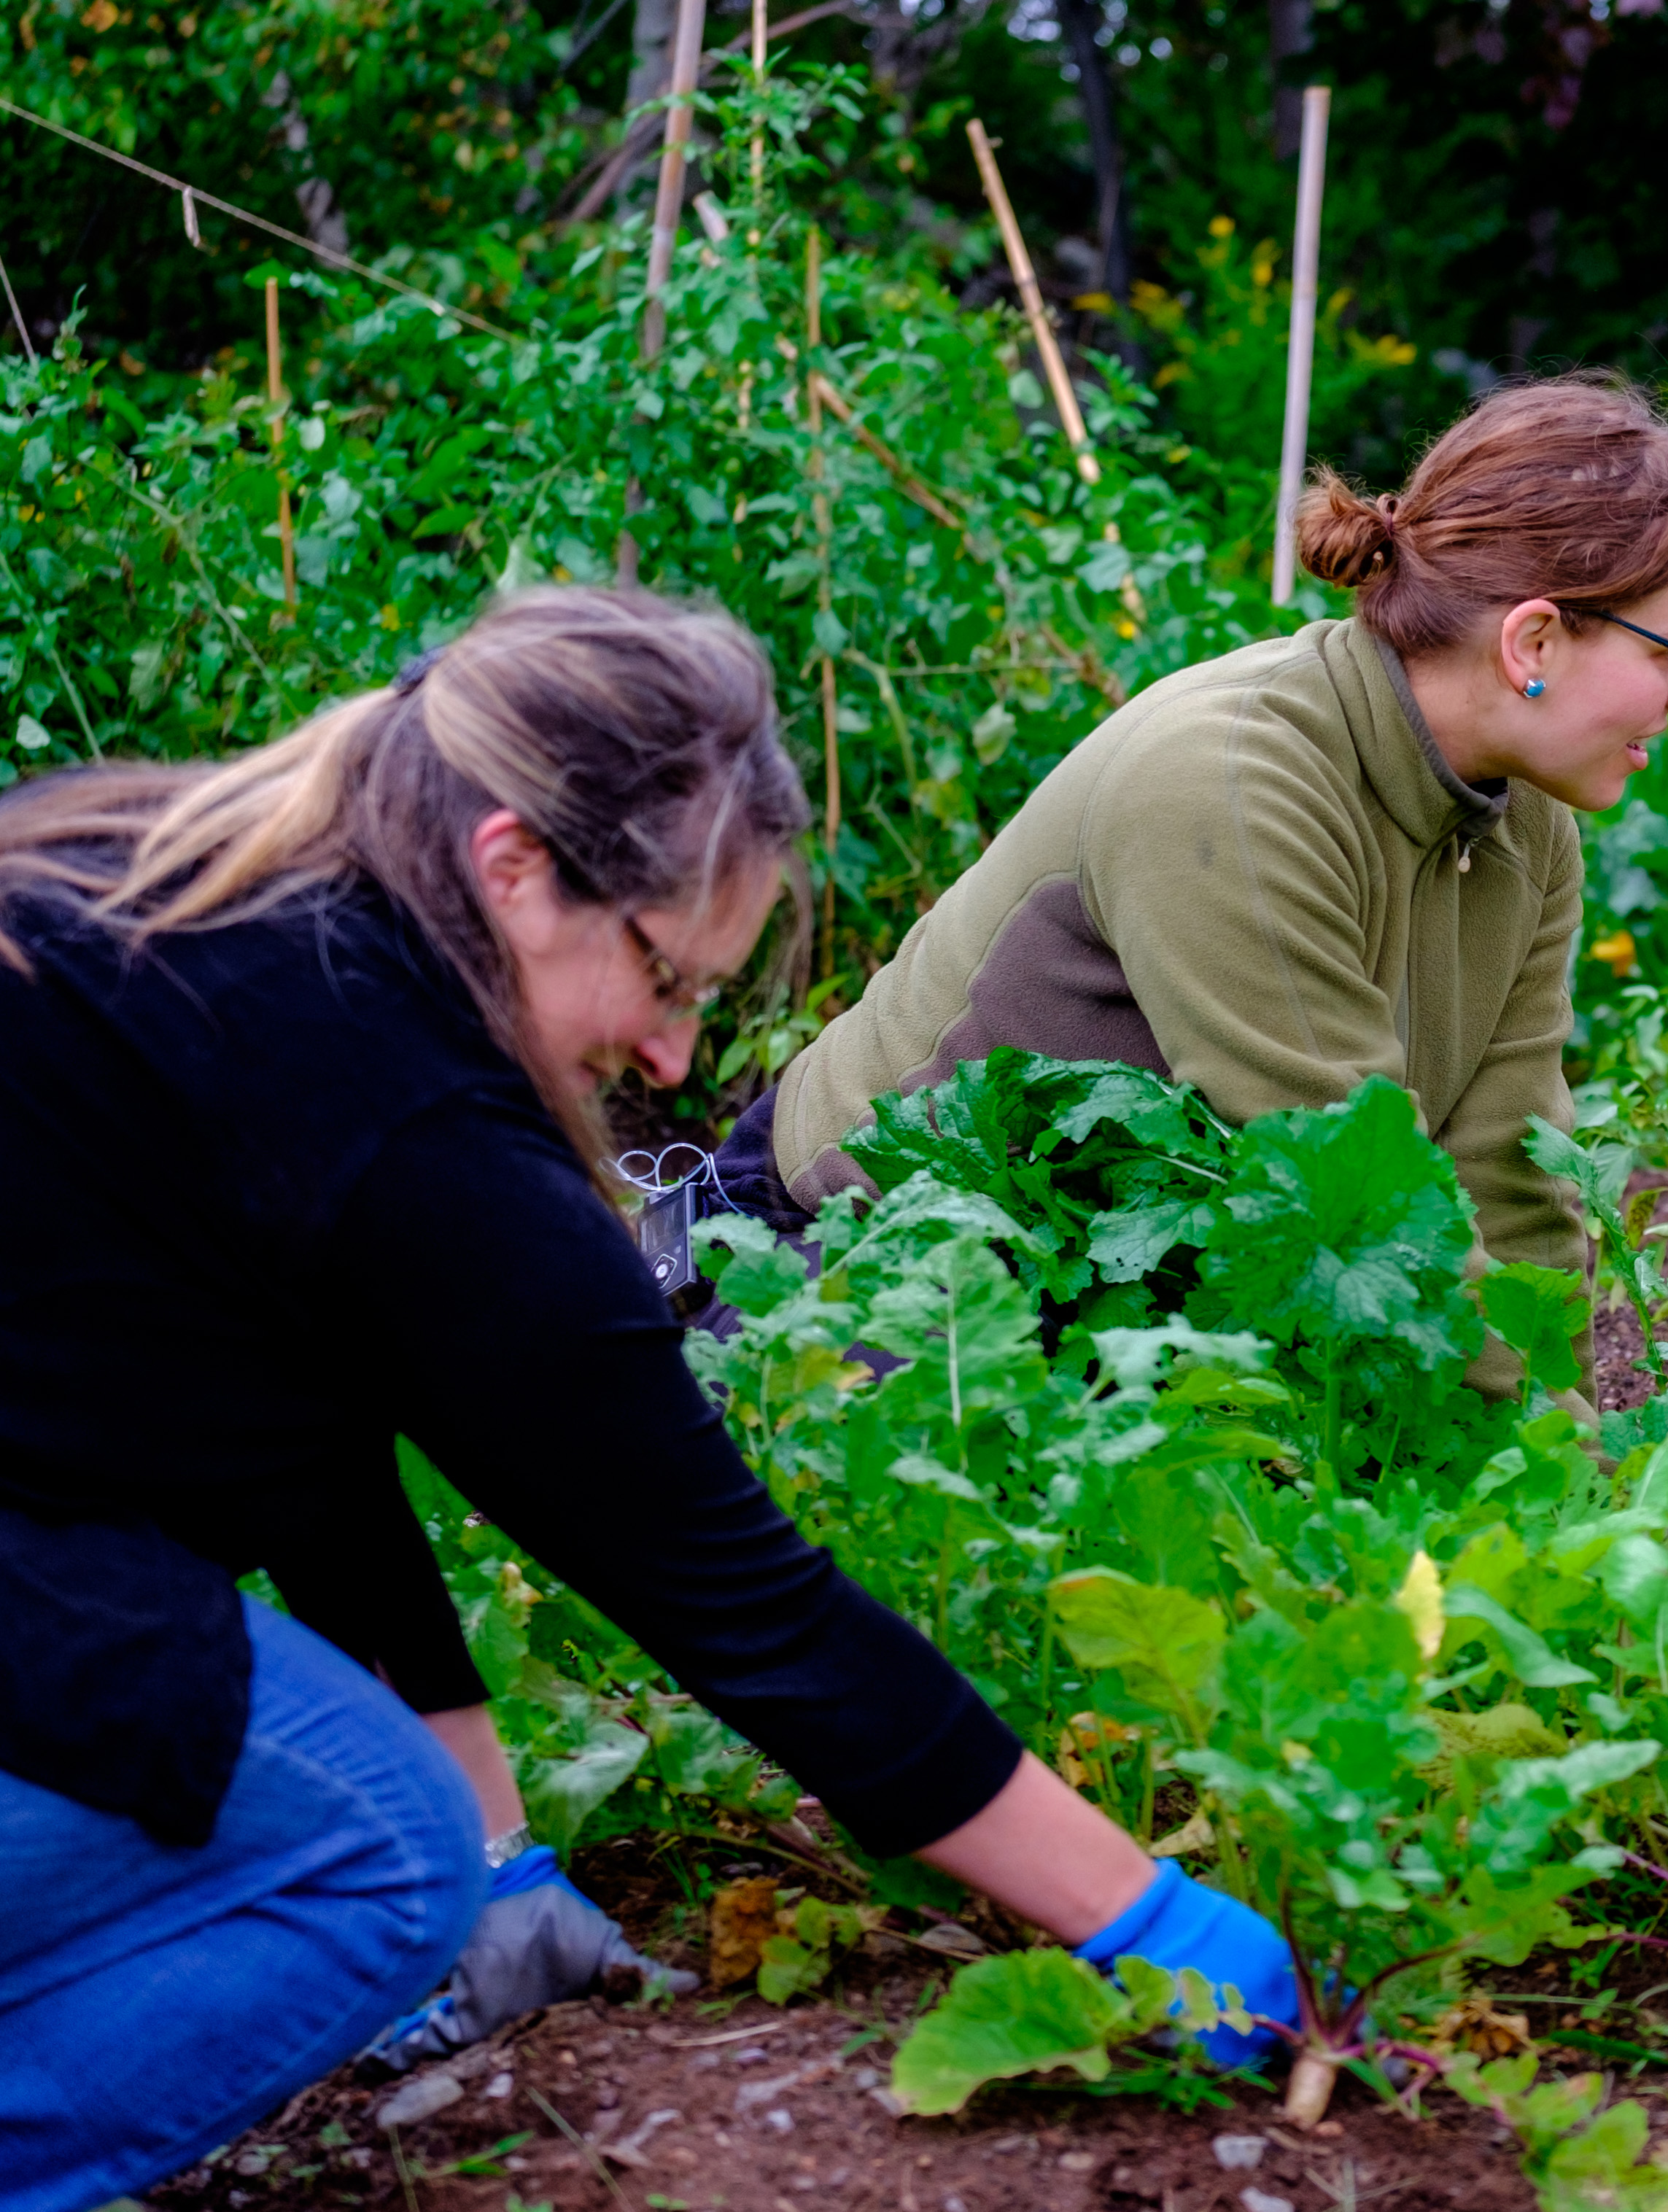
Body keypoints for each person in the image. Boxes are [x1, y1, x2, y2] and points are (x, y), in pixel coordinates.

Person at [0, 590, 1297, 2212]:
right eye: (667, 978)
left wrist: (505, 1857)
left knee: (375, 1816)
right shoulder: (413, 1133)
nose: (677, 1061)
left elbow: (310, 1453)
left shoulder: (159, 886)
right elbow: (745, 1608)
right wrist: (1145, 1916)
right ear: (513, 866)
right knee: (370, 1858)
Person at [721, 373, 1668, 1389]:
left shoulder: (1526, 819)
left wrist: (1567, 1470)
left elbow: (1510, 1173)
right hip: (863, 1262)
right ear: (1533, 637)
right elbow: (1348, 1206)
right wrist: (1552, 1475)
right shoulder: (1231, 782)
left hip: (1113, 1304)